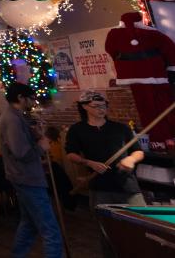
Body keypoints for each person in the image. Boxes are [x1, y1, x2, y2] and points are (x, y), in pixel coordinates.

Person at [65, 90, 145, 257]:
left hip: (128, 186)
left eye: (104, 105)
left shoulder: (120, 128)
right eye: (96, 106)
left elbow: (138, 152)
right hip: (100, 187)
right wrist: (88, 163)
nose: (102, 109)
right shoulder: (77, 130)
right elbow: (70, 153)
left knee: (141, 226)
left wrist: (131, 159)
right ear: (85, 107)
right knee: (107, 233)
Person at [0, 83, 63, 258]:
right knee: (50, 229)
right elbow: (21, 152)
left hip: (23, 176)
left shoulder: (16, 117)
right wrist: (41, 147)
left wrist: (35, 134)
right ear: (20, 97)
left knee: (29, 224)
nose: (33, 102)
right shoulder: (12, 119)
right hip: (27, 177)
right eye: (31, 98)